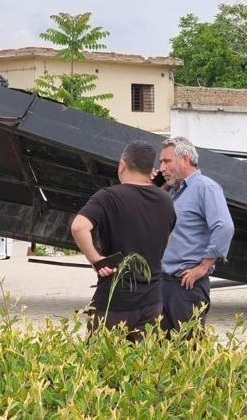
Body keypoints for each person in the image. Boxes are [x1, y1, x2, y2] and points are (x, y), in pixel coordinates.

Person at [71, 140, 176, 342]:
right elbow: (167, 238)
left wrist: (96, 260)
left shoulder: (108, 196)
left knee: (101, 358)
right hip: (152, 301)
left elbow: (79, 227)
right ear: (151, 170)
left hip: (114, 301)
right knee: (144, 359)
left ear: (122, 165)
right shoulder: (165, 201)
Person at [157, 136, 234, 333]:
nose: (161, 168)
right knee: (161, 348)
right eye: (161, 162)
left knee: (188, 347)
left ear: (185, 160)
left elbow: (224, 227)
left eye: (166, 161)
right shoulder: (172, 192)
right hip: (163, 283)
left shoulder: (206, 187)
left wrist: (203, 267)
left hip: (186, 287)